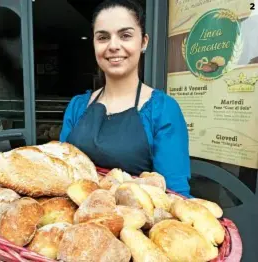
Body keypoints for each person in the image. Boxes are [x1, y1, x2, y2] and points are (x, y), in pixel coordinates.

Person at [60, 0, 191, 197]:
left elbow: (176, 195)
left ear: (143, 42)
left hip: (136, 224)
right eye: (103, 37)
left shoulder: (162, 109)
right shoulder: (77, 106)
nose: (113, 46)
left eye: (125, 35)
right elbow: (61, 172)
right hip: (76, 222)